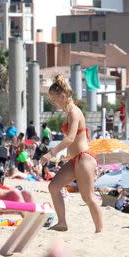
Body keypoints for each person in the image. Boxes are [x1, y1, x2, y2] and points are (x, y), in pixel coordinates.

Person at [40, 75, 103, 233]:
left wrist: (51, 153)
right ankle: (62, 223)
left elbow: (70, 138)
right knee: (54, 187)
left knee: (88, 197)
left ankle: (100, 231)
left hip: (84, 159)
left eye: (54, 99)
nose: (54, 103)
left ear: (63, 96)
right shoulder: (69, 113)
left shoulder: (74, 112)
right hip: (76, 160)